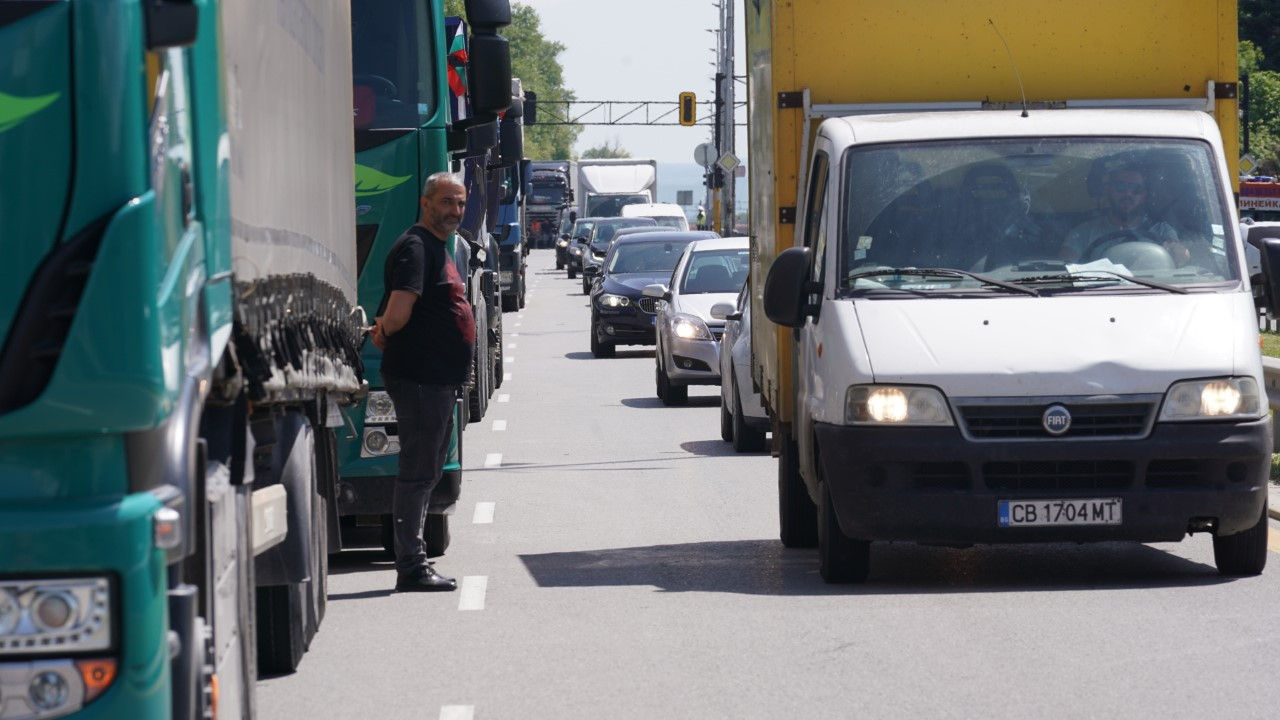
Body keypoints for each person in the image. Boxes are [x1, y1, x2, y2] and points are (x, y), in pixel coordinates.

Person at [370, 172, 474, 592]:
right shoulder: (416, 247)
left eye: (461, 204)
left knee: (426, 469)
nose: (455, 211)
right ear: (425, 201)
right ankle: (411, 566)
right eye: (447, 202)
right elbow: (396, 314)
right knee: (417, 471)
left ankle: (414, 560)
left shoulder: (435, 246)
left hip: (434, 380)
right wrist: (384, 333)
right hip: (419, 378)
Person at [1060, 163, 1176, 263]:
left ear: (1144, 195)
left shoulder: (1162, 231)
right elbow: (1065, 267)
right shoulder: (1083, 233)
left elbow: (1180, 259)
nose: (1128, 194)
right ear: (1108, 190)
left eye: (1136, 189)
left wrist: (1177, 251)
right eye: (1121, 187)